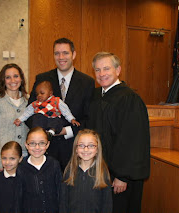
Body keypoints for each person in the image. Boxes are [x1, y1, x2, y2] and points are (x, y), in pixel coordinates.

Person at [87, 52, 150, 213]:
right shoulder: (96, 96)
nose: (102, 74)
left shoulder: (129, 99)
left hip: (120, 178)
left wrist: (123, 176)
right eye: (97, 70)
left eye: (106, 69)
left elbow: (133, 140)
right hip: (101, 172)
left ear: (118, 70)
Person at [26, 37, 95, 171]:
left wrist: (66, 131)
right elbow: (30, 112)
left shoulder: (87, 82)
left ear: (73, 55)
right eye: (57, 53)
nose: (61, 57)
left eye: (65, 53)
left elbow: (89, 118)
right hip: (45, 151)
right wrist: (43, 131)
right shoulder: (42, 79)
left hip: (75, 150)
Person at [0, 63, 29, 171]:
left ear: (21, 78)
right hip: (6, 160)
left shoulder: (28, 100)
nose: (12, 80)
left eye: (16, 76)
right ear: (3, 80)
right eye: (8, 77)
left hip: (25, 158)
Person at [60, 129, 112, 213]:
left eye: (91, 145)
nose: (86, 149)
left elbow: (107, 205)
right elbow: (63, 203)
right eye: (81, 145)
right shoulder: (69, 171)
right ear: (76, 149)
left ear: (97, 149)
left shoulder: (103, 173)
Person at [14, 81, 80, 138]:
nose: (39, 95)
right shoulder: (35, 103)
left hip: (53, 119)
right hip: (42, 122)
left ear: (50, 93)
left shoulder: (56, 101)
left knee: (58, 121)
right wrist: (20, 119)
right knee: (37, 117)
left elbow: (65, 111)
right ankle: (39, 132)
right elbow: (27, 112)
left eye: (42, 93)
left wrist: (72, 119)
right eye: (37, 94)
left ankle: (51, 132)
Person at [19, 127, 62, 212]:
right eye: (32, 143)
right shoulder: (21, 168)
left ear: (48, 144)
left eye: (42, 143)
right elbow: (18, 198)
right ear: (26, 145)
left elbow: (60, 191)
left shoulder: (54, 164)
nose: (37, 147)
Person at [0, 141, 24, 213]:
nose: (7, 162)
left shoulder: (25, 178)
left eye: (12, 158)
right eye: (4, 158)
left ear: (20, 159)